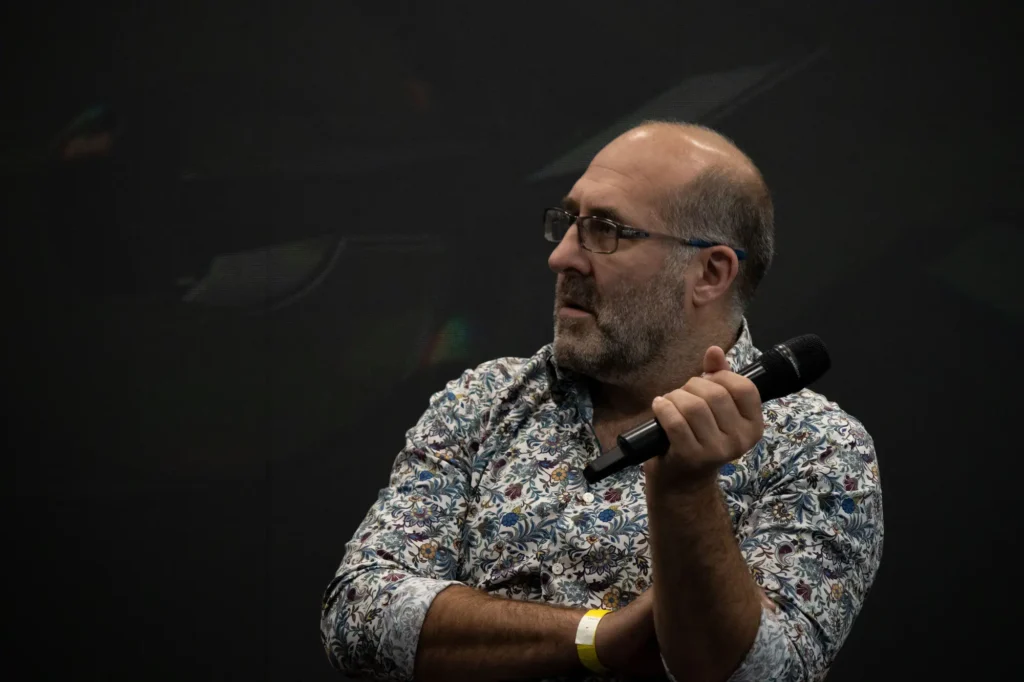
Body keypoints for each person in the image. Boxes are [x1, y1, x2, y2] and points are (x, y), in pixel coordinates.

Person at [320, 121, 884, 682]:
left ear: (709, 272)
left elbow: (761, 674)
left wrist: (685, 492)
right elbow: (358, 614)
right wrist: (598, 636)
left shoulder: (817, 448)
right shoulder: (484, 401)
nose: (562, 256)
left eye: (605, 230)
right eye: (568, 223)